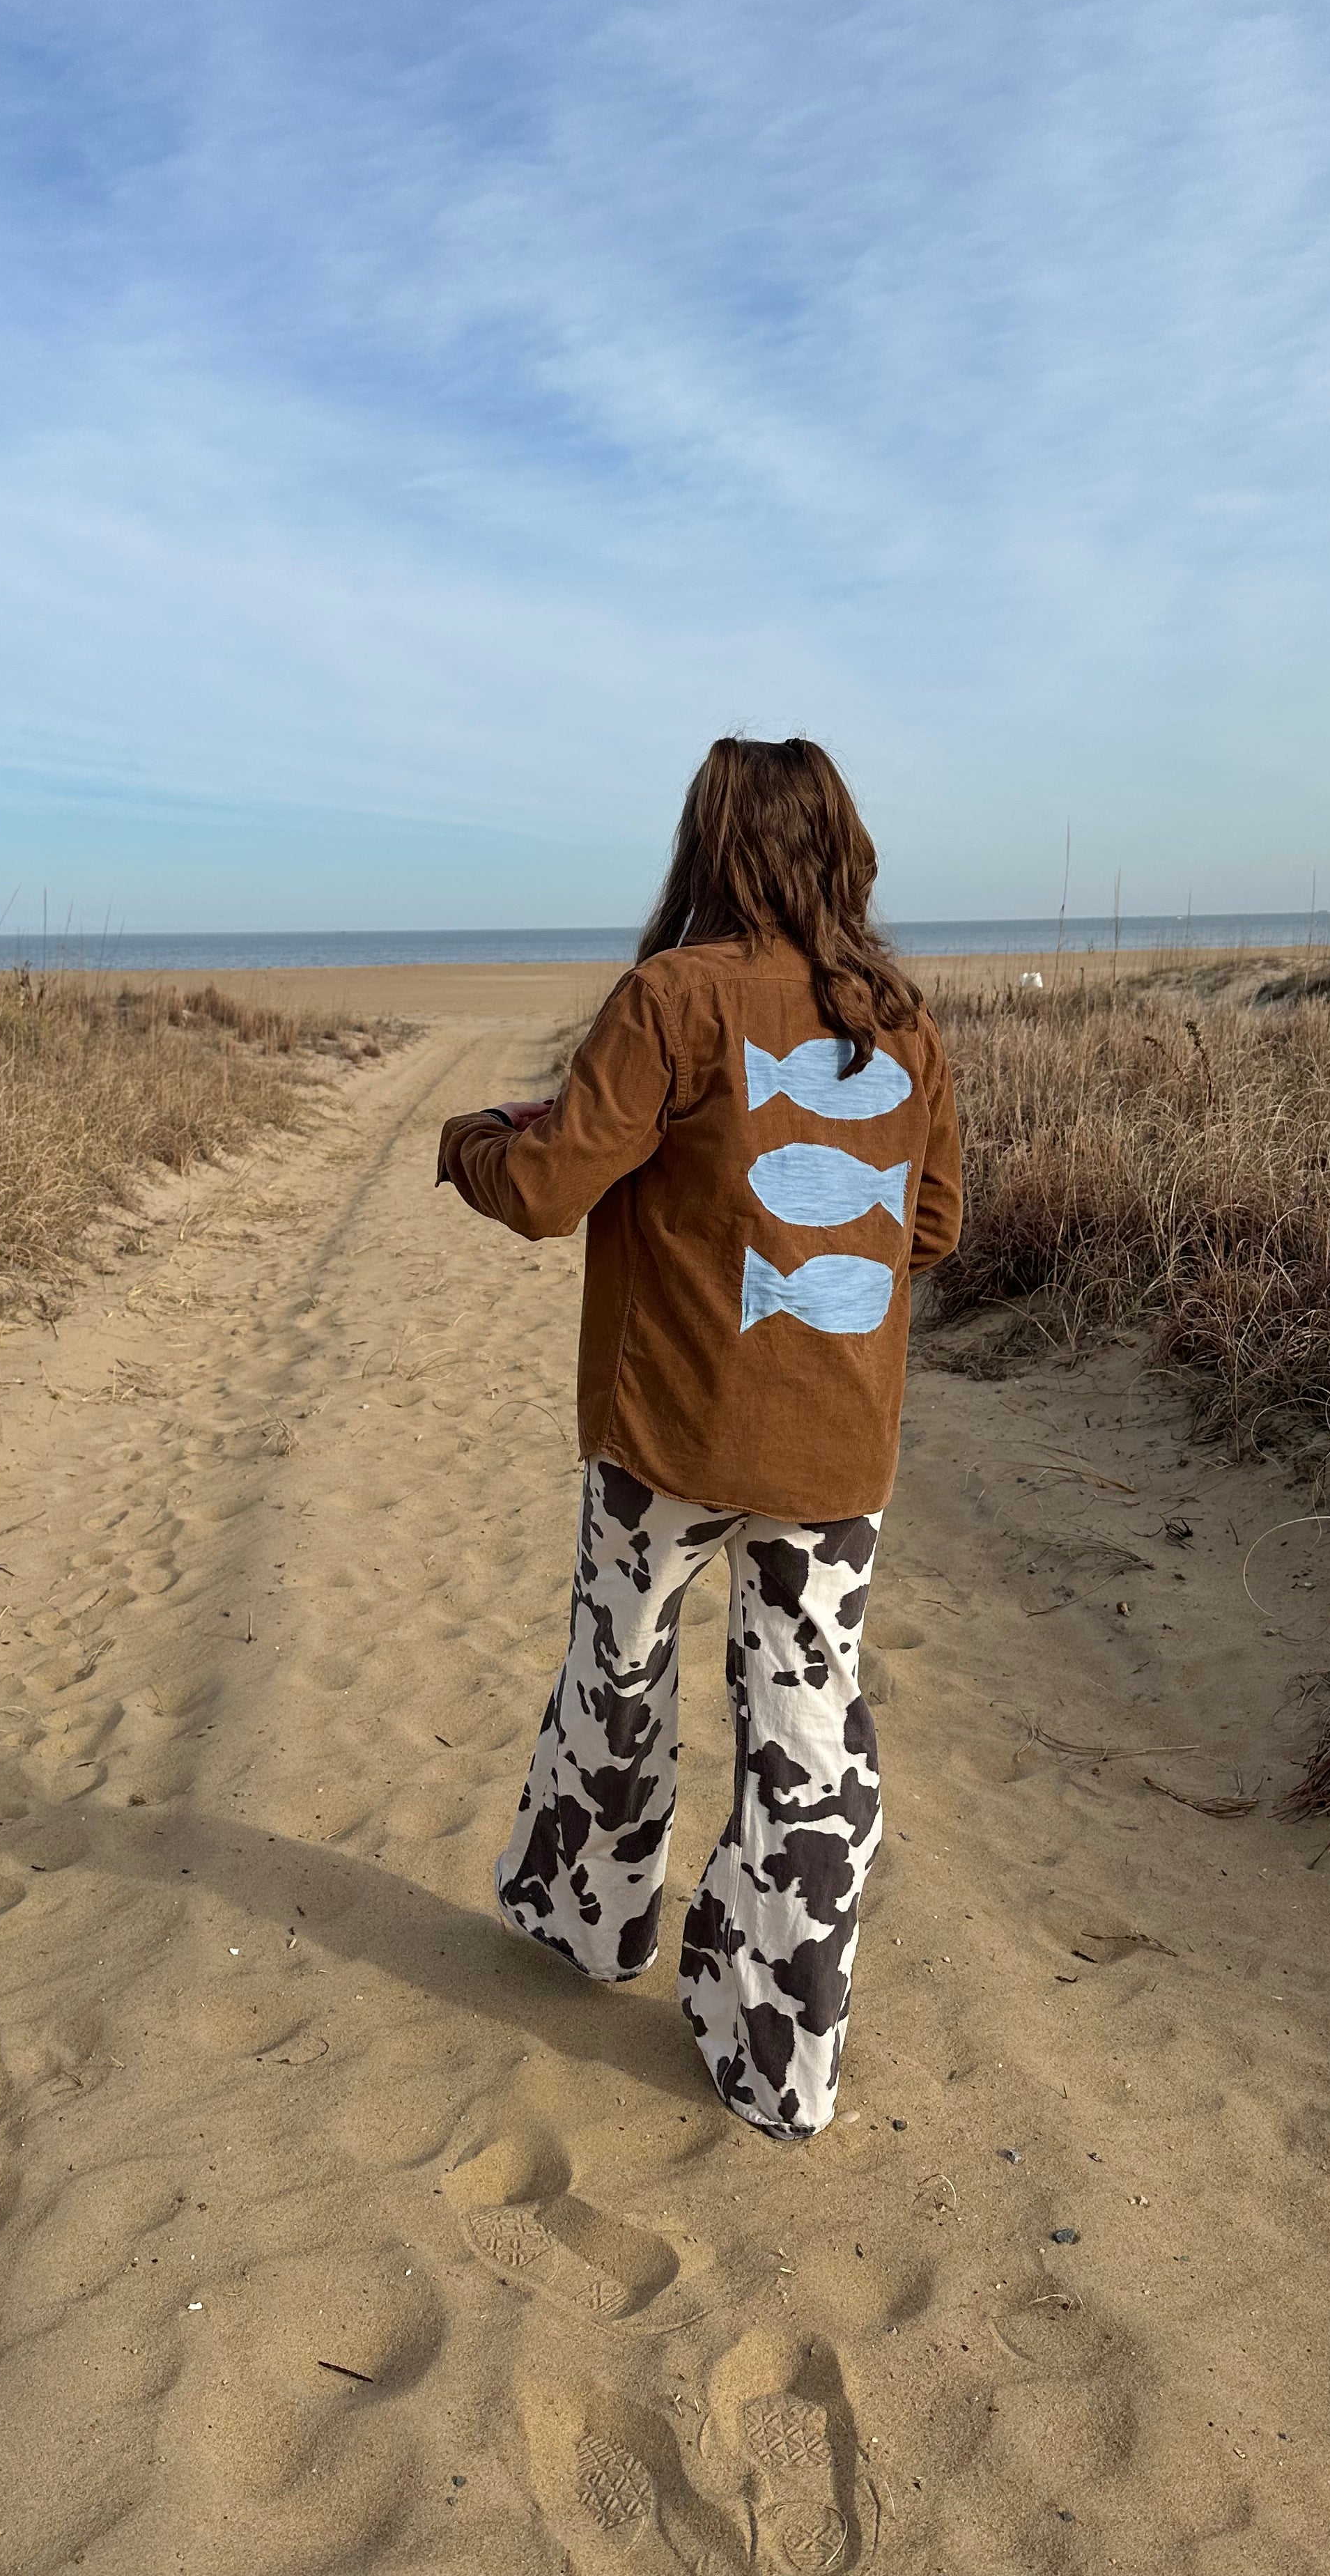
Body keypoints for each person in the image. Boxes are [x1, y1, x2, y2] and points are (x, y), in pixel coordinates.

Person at [435, 736, 961, 2139]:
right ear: (839, 849)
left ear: (709, 846)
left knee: (617, 1674)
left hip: (670, 1435)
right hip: (835, 1450)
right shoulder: (903, 1019)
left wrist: (474, 1141)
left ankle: (594, 1926)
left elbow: (548, 1191)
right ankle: (782, 2058)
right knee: (807, 1730)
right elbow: (932, 1227)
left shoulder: (673, 997)